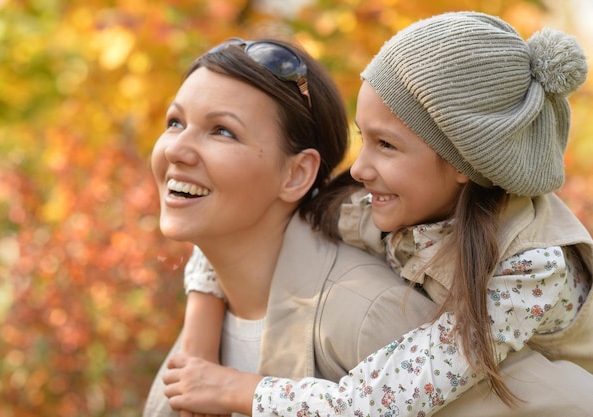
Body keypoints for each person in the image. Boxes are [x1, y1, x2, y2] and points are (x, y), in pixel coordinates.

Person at [161, 11, 593, 417]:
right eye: (362, 138)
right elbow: (243, 225)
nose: (358, 168)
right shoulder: (391, 204)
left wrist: (239, 390)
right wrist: (200, 329)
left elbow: (378, 400)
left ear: (463, 161)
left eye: (385, 145)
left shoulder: (531, 269)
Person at [143, 35, 442, 417]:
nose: (174, 149)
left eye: (222, 130)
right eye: (175, 122)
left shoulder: (368, 317)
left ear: (296, 174)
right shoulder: (210, 316)